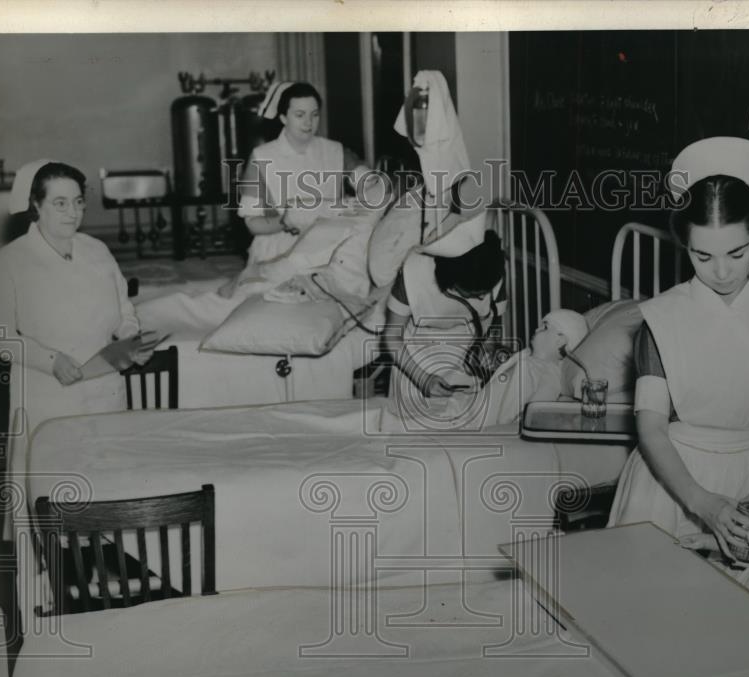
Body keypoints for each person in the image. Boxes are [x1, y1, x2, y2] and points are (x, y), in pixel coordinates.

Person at [607, 137, 749, 563]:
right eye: (702, 256)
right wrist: (702, 503)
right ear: (684, 244)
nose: (722, 272)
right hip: (671, 482)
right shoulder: (662, 320)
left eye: (736, 252)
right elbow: (651, 430)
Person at [0, 160, 154, 435]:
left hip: (105, 392)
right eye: (60, 203)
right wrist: (50, 360)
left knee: (106, 471)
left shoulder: (98, 251)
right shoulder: (11, 261)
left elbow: (124, 311)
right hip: (47, 396)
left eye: (78, 201)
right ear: (36, 205)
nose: (73, 212)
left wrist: (133, 341)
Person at [380, 308, 587, 432]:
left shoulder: (542, 372)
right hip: (470, 406)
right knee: (401, 414)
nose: (536, 329)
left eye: (545, 327)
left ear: (561, 338)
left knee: (403, 423)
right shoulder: (528, 359)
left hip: (476, 420)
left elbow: (525, 414)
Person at [237, 81, 372, 266]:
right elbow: (252, 223)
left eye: (314, 115)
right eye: (300, 115)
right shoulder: (261, 157)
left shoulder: (335, 151)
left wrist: (369, 188)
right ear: (283, 117)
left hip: (330, 247)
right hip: (279, 248)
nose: (308, 123)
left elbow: (369, 183)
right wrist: (284, 221)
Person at [383, 223, 507, 406]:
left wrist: (490, 353)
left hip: (465, 352)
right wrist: (422, 379)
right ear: (449, 282)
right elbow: (391, 336)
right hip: (415, 356)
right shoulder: (414, 274)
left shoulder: (491, 271)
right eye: (472, 294)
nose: (482, 297)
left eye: (485, 291)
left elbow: (490, 329)